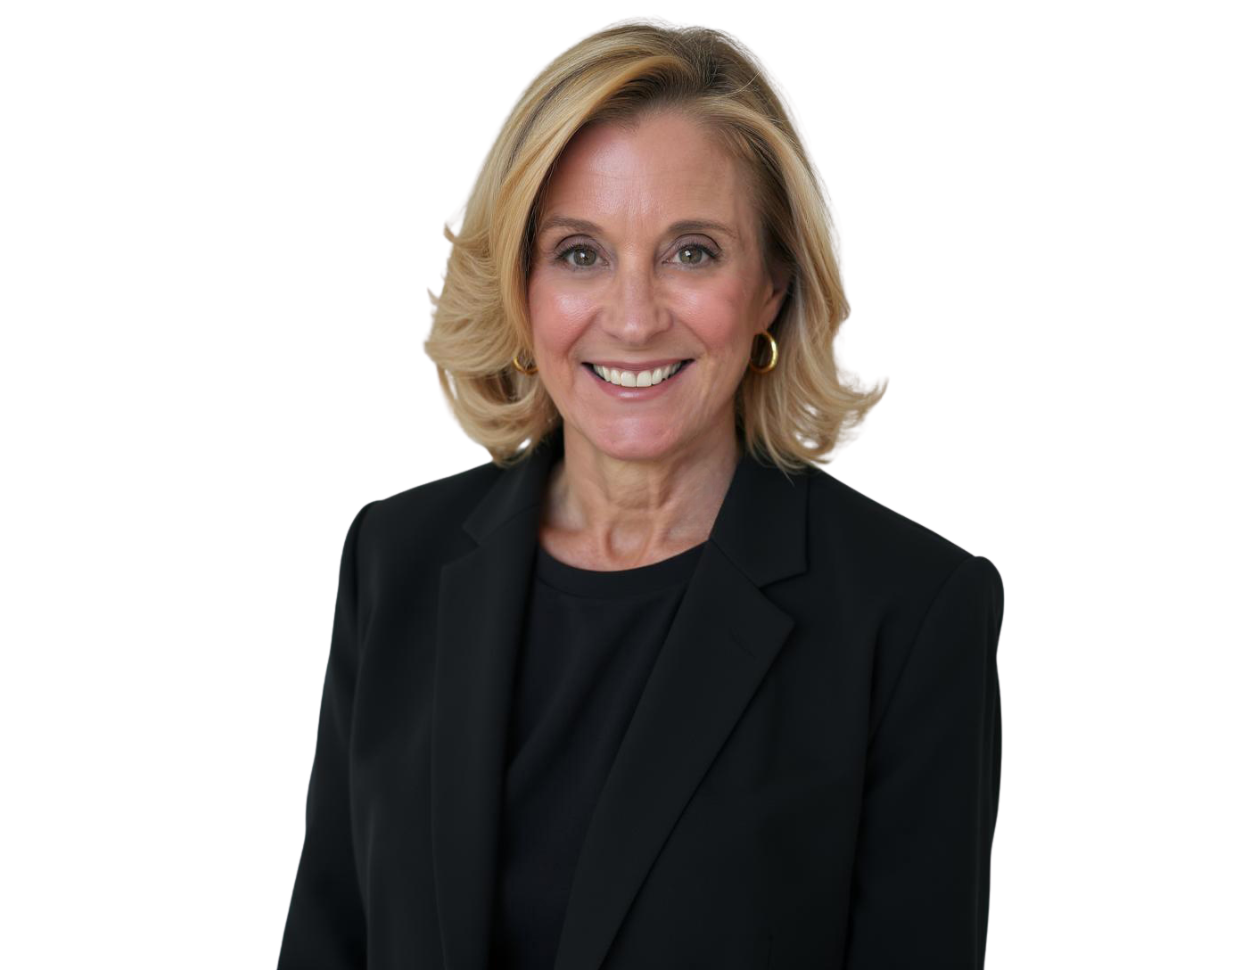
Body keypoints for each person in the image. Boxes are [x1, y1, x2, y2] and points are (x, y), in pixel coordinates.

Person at [278, 16, 1004, 970]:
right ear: (521, 283)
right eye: (580, 253)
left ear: (773, 284)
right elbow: (327, 937)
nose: (631, 318)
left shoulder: (913, 609)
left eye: (691, 251)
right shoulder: (394, 554)